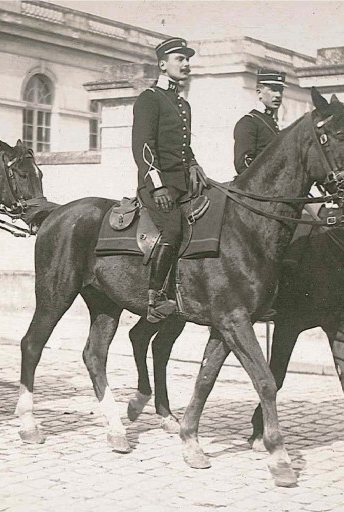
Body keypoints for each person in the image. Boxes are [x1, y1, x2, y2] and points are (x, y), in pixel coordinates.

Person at [132, 36, 207, 323]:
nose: (186, 64)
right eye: (180, 59)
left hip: (183, 185)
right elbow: (144, 146)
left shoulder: (181, 103)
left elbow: (182, 145)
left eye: (187, 59)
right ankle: (155, 297)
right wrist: (158, 185)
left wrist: (195, 164)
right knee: (173, 231)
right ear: (162, 65)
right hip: (157, 187)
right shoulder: (150, 98)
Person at [233, 69, 285, 175]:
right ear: (259, 92)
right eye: (273, 89)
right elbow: (243, 165)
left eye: (280, 90)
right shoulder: (249, 122)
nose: (278, 95)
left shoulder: (273, 122)